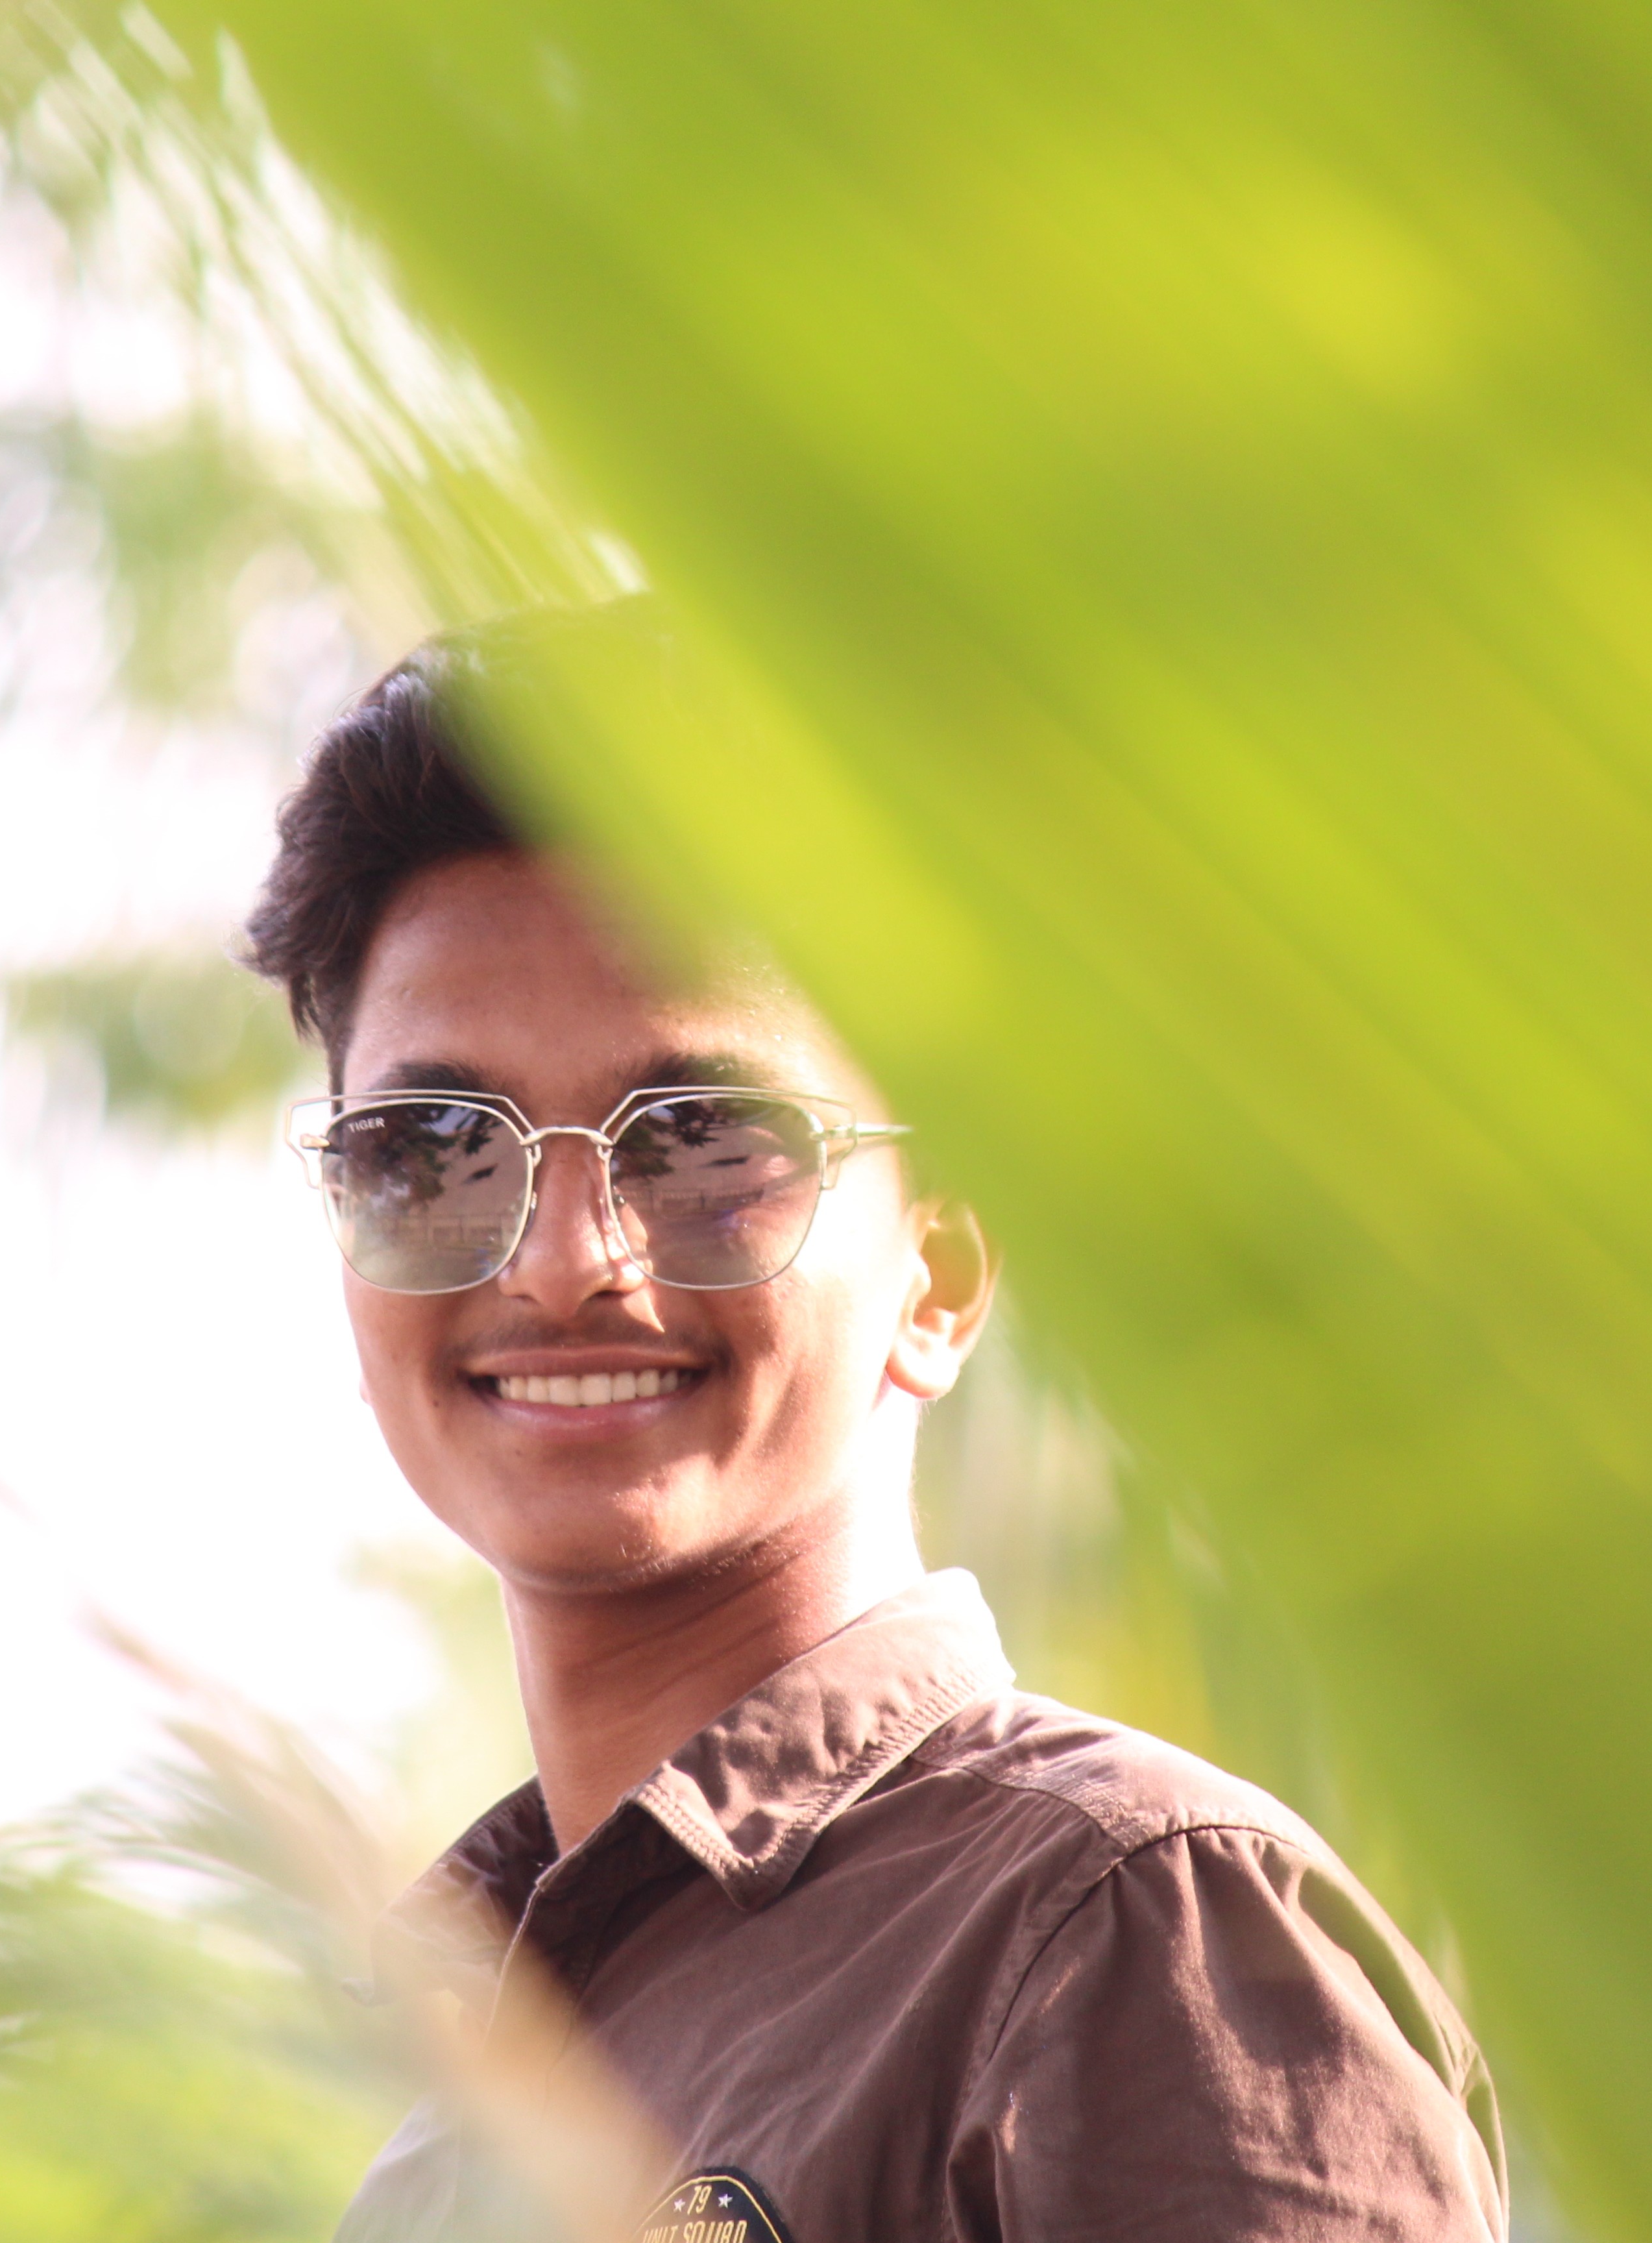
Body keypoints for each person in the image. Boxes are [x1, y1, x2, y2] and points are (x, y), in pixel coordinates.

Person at [245, 611, 1507, 2242]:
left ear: (942, 1272)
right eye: (433, 1150)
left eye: (706, 1144)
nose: (564, 1261)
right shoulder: (439, 2161)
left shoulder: (1124, 1929)